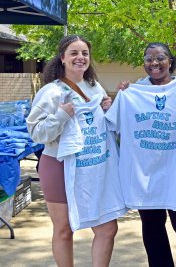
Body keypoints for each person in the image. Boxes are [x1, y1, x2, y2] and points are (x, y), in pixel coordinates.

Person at [26, 35, 116, 267]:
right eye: (74, 53)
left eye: (84, 53)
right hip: (58, 165)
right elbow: (36, 133)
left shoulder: (95, 88)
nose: (80, 58)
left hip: (94, 165)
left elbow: (102, 125)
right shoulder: (51, 92)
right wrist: (62, 115)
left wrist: (108, 109)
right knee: (64, 229)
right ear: (62, 58)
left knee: (107, 227)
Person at [114, 42, 176, 267]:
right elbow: (113, 122)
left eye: (160, 58)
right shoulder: (132, 92)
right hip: (146, 172)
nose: (154, 63)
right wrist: (119, 97)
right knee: (152, 226)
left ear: (171, 61)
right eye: (148, 59)